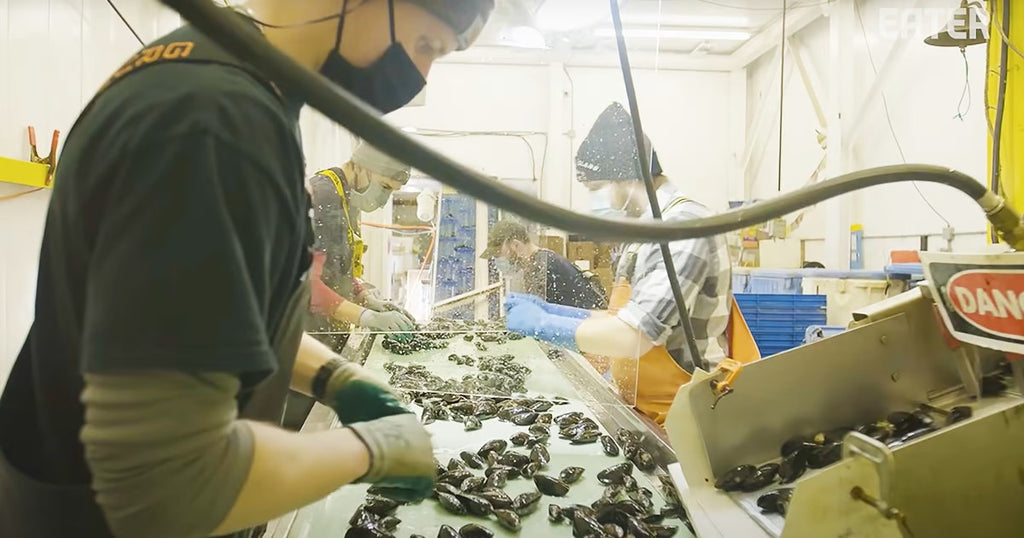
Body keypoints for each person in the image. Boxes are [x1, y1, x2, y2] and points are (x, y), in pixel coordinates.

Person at [0, 1, 494, 537]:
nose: (419, 76)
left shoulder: (225, 68)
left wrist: (335, 377)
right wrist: (368, 452)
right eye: (427, 46)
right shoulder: (217, 125)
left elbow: (209, 315)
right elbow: (164, 493)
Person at [505, 102, 751, 424]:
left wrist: (545, 325)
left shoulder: (683, 229)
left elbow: (636, 335)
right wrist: (559, 312)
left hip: (687, 415)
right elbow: (625, 317)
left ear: (625, 176)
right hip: (646, 410)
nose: (593, 202)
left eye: (594, 189)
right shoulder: (643, 231)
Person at [308, 140, 417, 341]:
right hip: (306, 337)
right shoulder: (323, 197)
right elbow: (305, 285)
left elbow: (336, 270)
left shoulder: (346, 197)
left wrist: (364, 297)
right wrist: (367, 317)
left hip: (331, 332)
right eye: (384, 186)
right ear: (362, 167)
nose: (384, 200)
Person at [480, 219, 607, 310]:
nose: (499, 260)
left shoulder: (544, 266)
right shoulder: (538, 262)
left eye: (498, 254)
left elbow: (546, 318)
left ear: (516, 245)